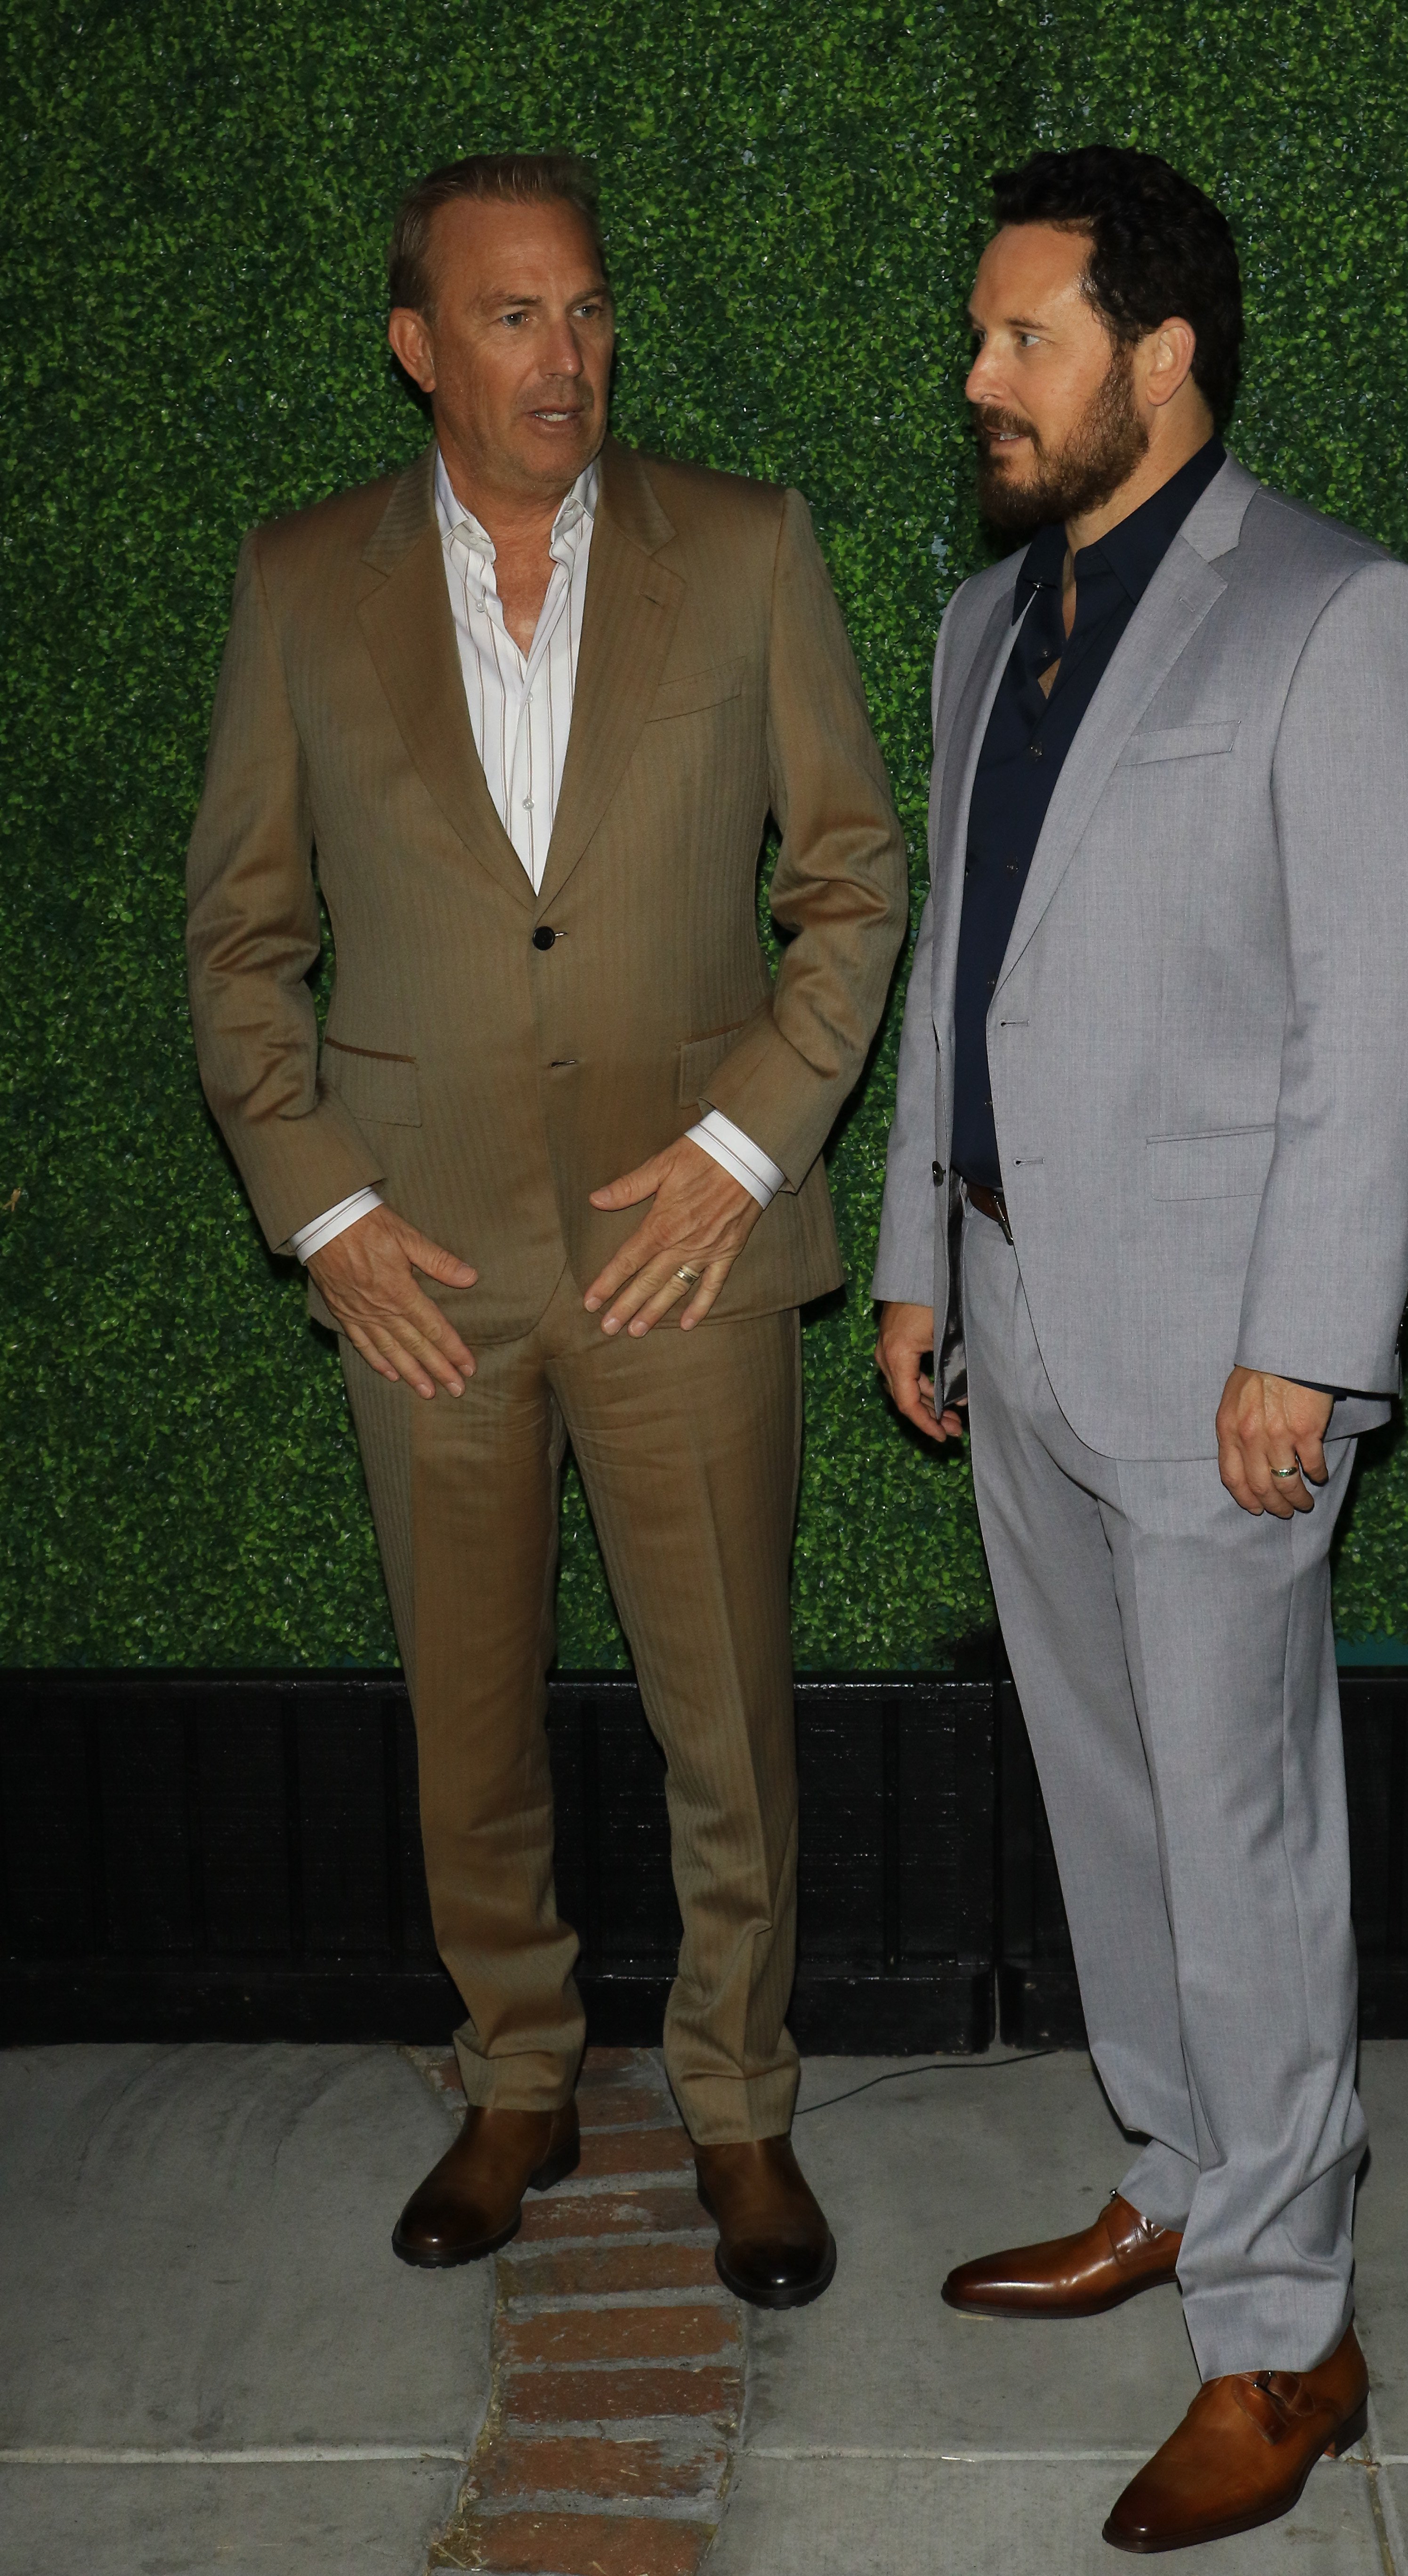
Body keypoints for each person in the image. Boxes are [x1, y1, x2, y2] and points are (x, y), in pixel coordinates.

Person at [186, 151, 906, 2302]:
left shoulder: (751, 548)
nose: (565, 357)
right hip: (423, 1272)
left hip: (686, 1256)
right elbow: (242, 944)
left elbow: (854, 876)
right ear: (418, 345)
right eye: (513, 318)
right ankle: (517, 2075)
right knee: (465, 1715)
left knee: (731, 1728)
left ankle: (744, 2113)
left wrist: (748, 1145)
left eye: (588, 311)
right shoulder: (301, 584)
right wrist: (323, 1216)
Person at [874, 146, 1408, 2553]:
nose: (981, 375)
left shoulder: (1342, 616)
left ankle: (1289, 2324)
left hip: (1225, 1353)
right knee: (1108, 1801)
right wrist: (919, 1240)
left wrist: (1306, 1348)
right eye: (986, 336)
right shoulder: (980, 625)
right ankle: (1180, 2166)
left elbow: (1376, 1018)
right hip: (1015, 1312)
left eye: (1025, 336)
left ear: (1162, 350)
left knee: (1243, 1843)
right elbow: (959, 964)